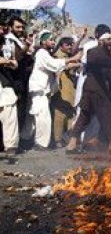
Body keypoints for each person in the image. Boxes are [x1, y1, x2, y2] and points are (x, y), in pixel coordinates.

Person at [23, 30, 81, 150]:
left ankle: (26, 140)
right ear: (43, 42)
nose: (53, 42)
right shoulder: (41, 53)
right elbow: (54, 65)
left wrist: (73, 63)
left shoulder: (45, 54)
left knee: (34, 118)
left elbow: (57, 65)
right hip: (39, 90)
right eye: (50, 39)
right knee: (42, 117)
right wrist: (72, 59)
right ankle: (40, 144)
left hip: (42, 91)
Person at [67, 31, 111, 154]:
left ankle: (72, 144)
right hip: (94, 89)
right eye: (107, 40)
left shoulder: (107, 54)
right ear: (101, 41)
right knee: (108, 114)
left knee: (84, 117)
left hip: (97, 89)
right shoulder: (94, 51)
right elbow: (93, 61)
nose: (110, 42)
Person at [51, 37, 78, 147]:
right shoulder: (57, 56)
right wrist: (74, 64)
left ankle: (69, 138)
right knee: (59, 115)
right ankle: (57, 140)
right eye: (68, 45)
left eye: (71, 44)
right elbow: (61, 67)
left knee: (70, 114)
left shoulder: (68, 56)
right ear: (61, 45)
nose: (70, 47)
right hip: (61, 89)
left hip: (69, 89)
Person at [0, 19, 19, 155]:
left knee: (9, 111)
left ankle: (10, 146)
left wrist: (10, 62)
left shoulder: (6, 43)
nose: (1, 31)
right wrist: (7, 62)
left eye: (3, 28)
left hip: (5, 81)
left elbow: (14, 62)